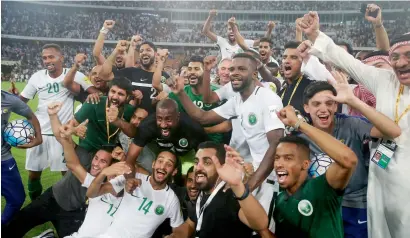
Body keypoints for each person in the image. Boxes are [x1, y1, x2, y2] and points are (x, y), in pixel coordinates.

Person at [300, 11, 410, 238]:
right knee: (380, 229)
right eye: (396, 57)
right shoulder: (385, 80)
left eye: (408, 55)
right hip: (381, 169)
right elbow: (348, 63)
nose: (401, 63)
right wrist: (316, 35)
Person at [168, 53, 284, 232]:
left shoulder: (268, 99)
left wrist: (249, 185)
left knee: (263, 231)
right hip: (250, 174)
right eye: (232, 69)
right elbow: (203, 117)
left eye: (241, 69)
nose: (234, 73)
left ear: (254, 74)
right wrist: (181, 93)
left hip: (269, 180)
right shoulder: (237, 100)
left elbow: (276, 145)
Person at [301, 77, 401, 237]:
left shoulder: (351, 124)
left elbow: (393, 131)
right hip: (321, 207)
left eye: (329, 103)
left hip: (355, 206)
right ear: (306, 107)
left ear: (336, 105)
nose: (323, 109)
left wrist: (353, 100)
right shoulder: (301, 136)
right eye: (316, 104)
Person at [3, 102, 114, 238]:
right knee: (16, 224)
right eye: (96, 158)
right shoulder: (84, 155)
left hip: (73, 213)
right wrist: (53, 115)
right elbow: (61, 137)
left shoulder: (111, 182)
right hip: (53, 198)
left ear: (110, 166)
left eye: (103, 161)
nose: (96, 164)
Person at [13, 43, 94, 201]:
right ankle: (35, 204)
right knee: (33, 175)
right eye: (44, 58)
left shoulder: (75, 75)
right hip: (39, 134)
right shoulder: (37, 77)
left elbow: (94, 92)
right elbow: (21, 102)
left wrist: (89, 99)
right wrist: (13, 98)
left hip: (62, 134)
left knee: (68, 174)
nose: (47, 60)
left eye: (51, 56)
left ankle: (68, 207)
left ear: (61, 58)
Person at [273, 105, 359, 237]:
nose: (279, 164)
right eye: (277, 158)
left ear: (305, 164)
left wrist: (299, 124)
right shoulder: (280, 201)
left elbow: (349, 160)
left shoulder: (321, 188)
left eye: (288, 158)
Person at [166, 142, 268, 238]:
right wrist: (174, 236)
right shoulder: (202, 193)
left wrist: (237, 185)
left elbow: (261, 224)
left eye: (207, 162)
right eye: (196, 162)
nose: (198, 167)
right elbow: (190, 223)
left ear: (222, 167)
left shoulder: (231, 196)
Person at [89, 150, 184, 238]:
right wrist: (103, 173)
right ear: (153, 164)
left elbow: (179, 231)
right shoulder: (133, 177)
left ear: (174, 171)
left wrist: (173, 236)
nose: (162, 167)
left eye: (169, 164)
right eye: (160, 161)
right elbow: (92, 193)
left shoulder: (172, 200)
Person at [126, 98, 208, 177]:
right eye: (159, 119)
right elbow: (130, 160)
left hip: (185, 155)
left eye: (168, 119)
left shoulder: (194, 129)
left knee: (188, 178)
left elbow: (206, 157)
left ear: (178, 116)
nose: (163, 125)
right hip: (159, 151)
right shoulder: (147, 126)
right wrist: (130, 179)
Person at [1, 90, 42, 224]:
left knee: (16, 198)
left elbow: (30, 115)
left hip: (3, 158)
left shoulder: (8, 99)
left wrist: (38, 138)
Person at [69, 78, 136, 157]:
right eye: (113, 91)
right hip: (88, 149)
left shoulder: (129, 110)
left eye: (120, 94)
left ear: (127, 97)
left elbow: (133, 133)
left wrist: (118, 121)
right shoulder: (94, 102)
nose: (115, 97)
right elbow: (70, 125)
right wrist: (75, 130)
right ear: (108, 91)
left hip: (112, 153)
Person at [166, 55, 224, 143]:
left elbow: (229, 123)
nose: (192, 72)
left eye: (196, 69)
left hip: (213, 143)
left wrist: (206, 130)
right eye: (189, 69)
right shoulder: (180, 92)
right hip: (188, 143)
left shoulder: (218, 93)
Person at [100, 40, 169, 113]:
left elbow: (174, 94)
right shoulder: (130, 72)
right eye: (141, 51)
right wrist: (116, 51)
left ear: (155, 54)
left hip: (153, 122)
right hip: (130, 121)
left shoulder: (164, 76)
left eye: (148, 50)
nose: (144, 52)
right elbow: (104, 76)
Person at [280, 41, 313, 115]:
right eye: (284, 57)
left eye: (293, 57)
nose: (287, 61)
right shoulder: (281, 93)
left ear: (303, 62)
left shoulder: (311, 88)